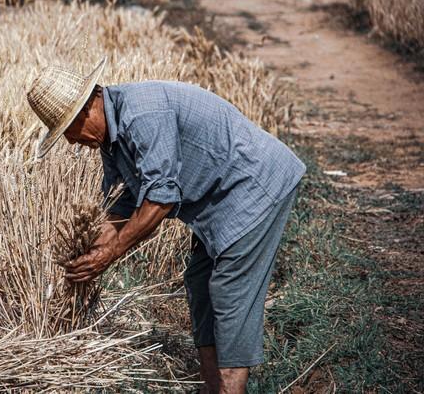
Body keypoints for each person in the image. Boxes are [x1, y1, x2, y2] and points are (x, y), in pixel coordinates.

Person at [26, 57, 305, 394]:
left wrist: (110, 253)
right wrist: (90, 250)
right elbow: (123, 203)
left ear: (86, 109)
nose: (71, 142)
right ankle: (211, 386)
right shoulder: (111, 141)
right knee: (200, 284)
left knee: (229, 292)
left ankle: (231, 388)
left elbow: (161, 200)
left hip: (253, 186)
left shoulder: (143, 115)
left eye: (67, 130)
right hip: (215, 200)